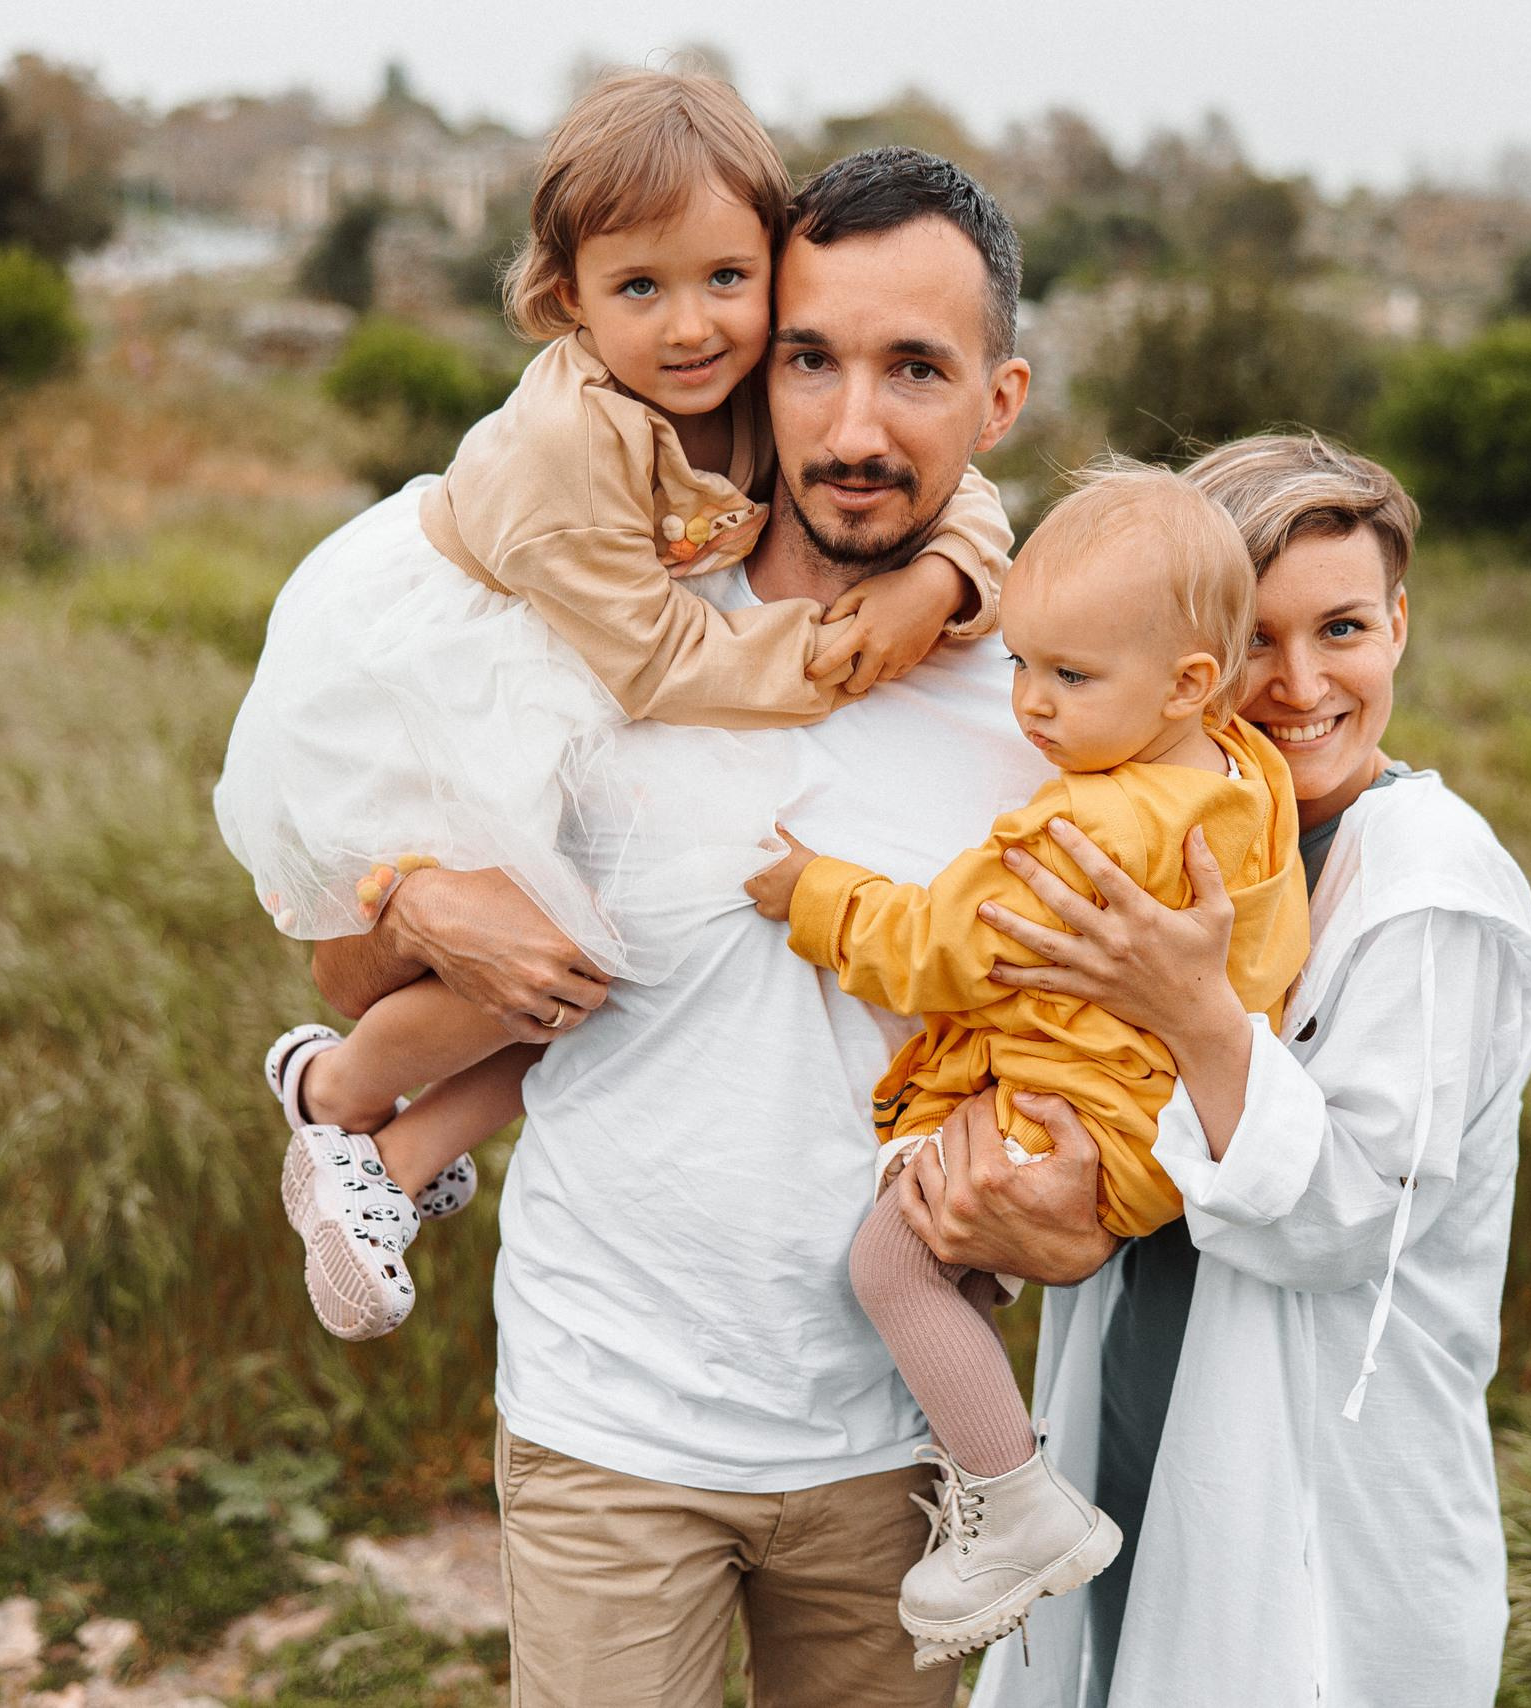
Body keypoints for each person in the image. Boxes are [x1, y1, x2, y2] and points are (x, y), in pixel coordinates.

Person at [312, 147, 1068, 1708]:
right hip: (607, 1427)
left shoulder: (1044, 711)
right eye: (812, 360)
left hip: (899, 1438)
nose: (853, 430)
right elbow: (340, 971)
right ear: (755, 369)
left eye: (917, 369)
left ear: (1000, 402)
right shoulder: (593, 630)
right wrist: (420, 899)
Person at [209, 70, 1013, 1340]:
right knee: (558, 945)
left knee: (598, 959)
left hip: (858, 1395)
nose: (693, 326)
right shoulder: (572, 461)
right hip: (458, 670)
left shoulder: (1031, 690)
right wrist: (822, 656)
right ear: (567, 296)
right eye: (641, 289)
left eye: (726, 281)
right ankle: (337, 1098)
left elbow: (939, 475)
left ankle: (405, 1150)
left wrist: (941, 578)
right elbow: (650, 663)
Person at [912, 435, 1531, 1708]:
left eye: (1343, 629)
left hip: (1316, 1507)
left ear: (1399, 626)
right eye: (1258, 639)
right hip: (1135, 1418)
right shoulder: (1159, 829)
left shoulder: (1427, 885)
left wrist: (1194, 1010)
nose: (1300, 683)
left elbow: (1346, 1221)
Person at [742, 463, 1311, 1668]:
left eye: (1071, 677)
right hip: (1154, 1117)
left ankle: (1014, 1505)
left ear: (1188, 683)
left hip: (1077, 1116)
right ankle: (987, 1459)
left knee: (888, 1262)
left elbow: (936, 945)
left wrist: (813, 892)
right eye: (1020, 664)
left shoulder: (1083, 827)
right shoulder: (1243, 774)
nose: (1031, 706)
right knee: (943, 1250)